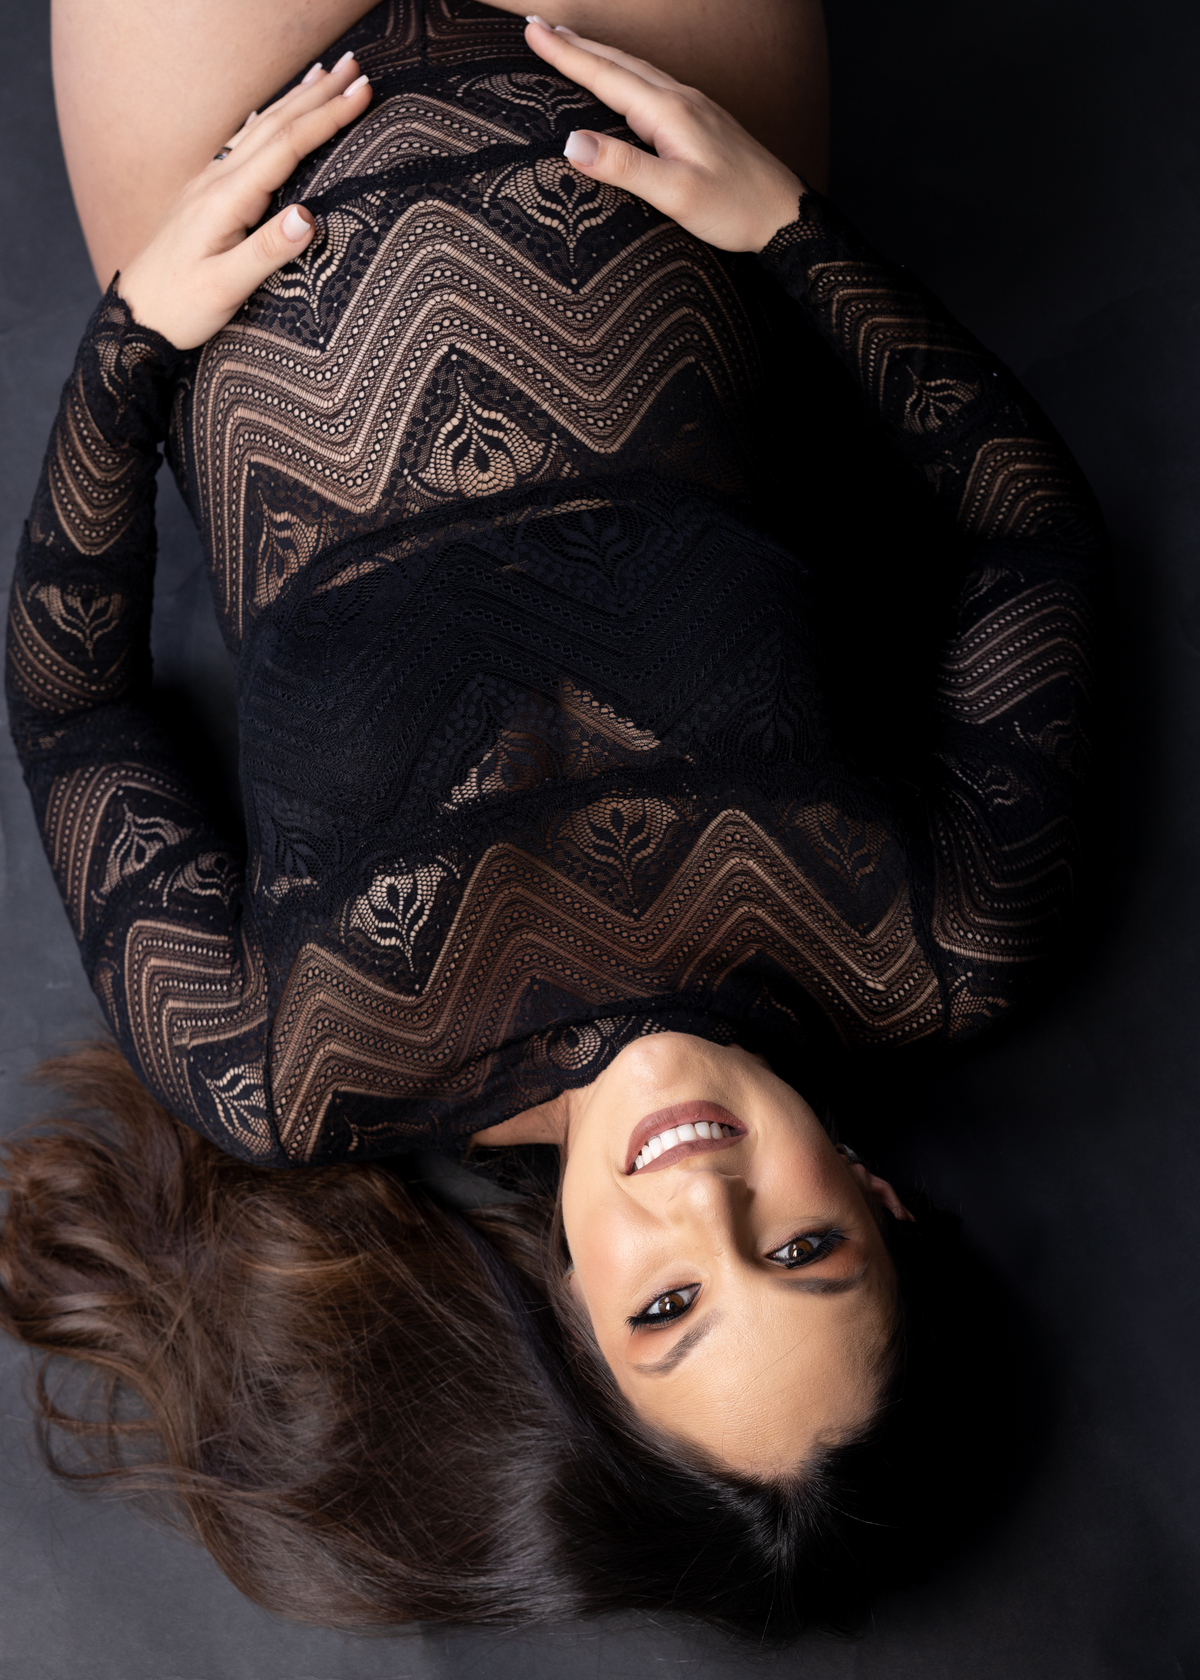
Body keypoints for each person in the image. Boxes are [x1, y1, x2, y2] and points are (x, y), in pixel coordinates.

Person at [1, 0, 1105, 1634]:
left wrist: (135, 342)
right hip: (636, 64)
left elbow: (72, 707)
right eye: (801, 1252)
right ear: (881, 1202)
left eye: (669, 1306)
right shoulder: (940, 940)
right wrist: (790, 233)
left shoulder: (290, 1067)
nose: (705, 1202)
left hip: (225, 139)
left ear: (573, 1317)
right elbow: (1028, 539)